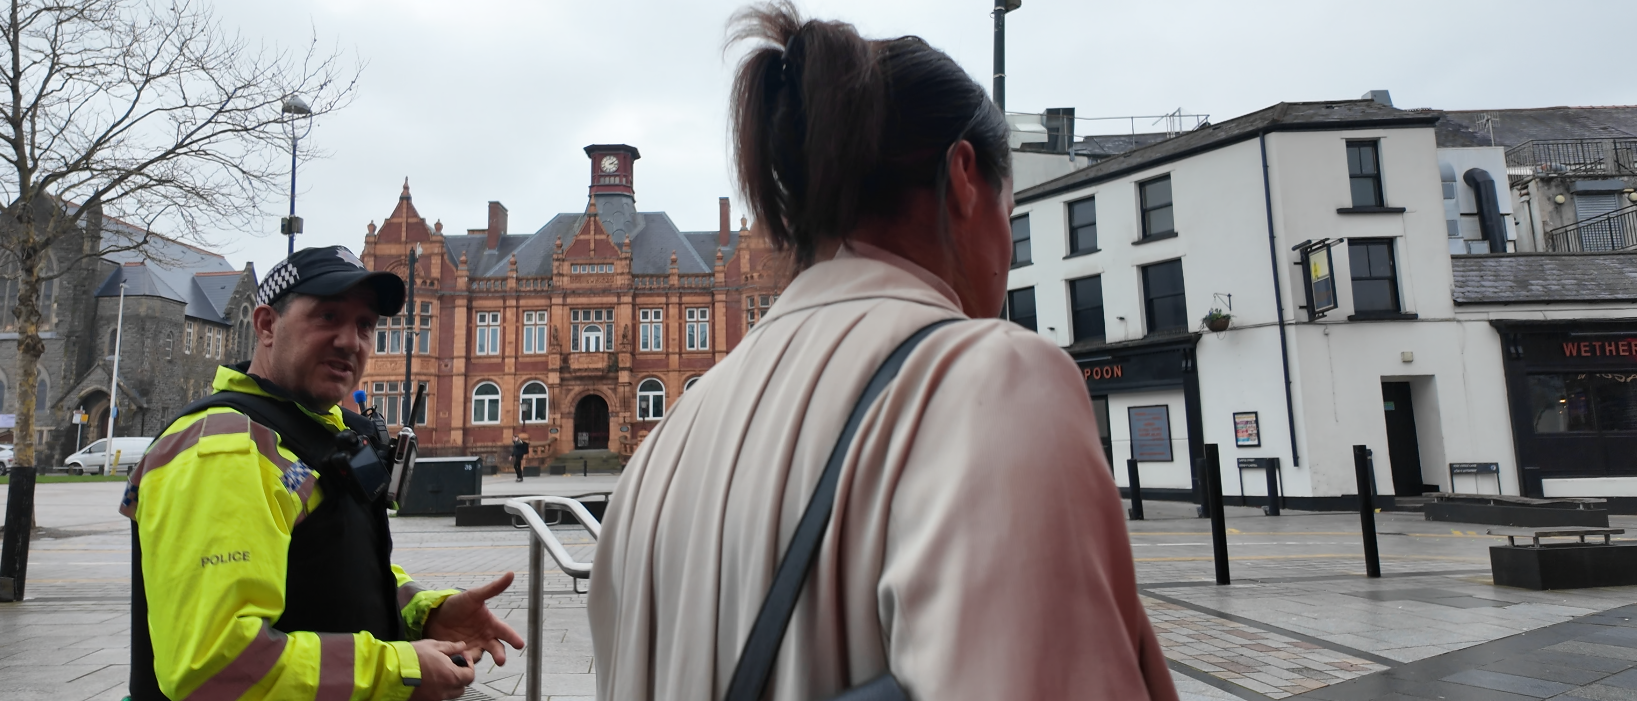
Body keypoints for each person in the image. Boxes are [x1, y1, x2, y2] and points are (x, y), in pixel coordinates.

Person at [587, 4, 1177, 700]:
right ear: (963, 178)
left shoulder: (664, 446)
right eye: (1009, 214)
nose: (1008, 250)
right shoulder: (990, 379)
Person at [121, 245, 525, 701]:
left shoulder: (316, 428)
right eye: (328, 316)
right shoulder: (224, 449)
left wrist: (425, 613)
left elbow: (335, 565)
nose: (351, 340)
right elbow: (217, 663)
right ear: (267, 325)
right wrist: (400, 670)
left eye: (365, 325)